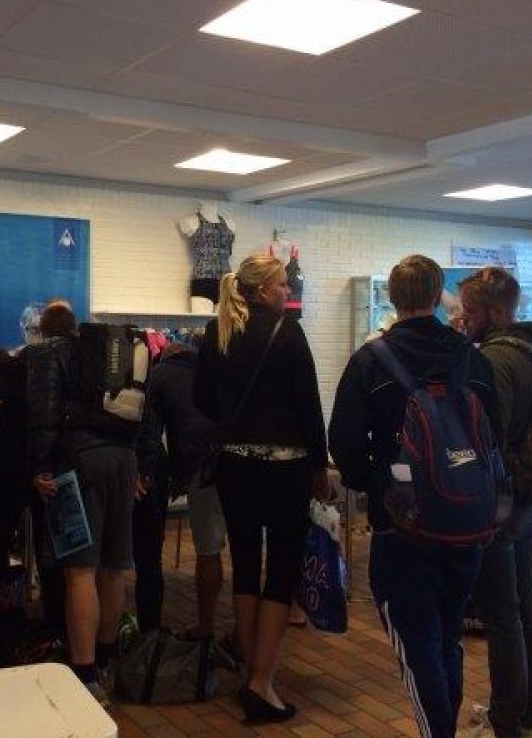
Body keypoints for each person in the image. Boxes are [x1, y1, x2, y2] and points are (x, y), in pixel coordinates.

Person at [328, 255, 498, 738]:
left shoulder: (370, 361)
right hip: (467, 522)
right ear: (439, 294)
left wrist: (378, 487)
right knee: (448, 635)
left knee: (416, 642)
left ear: (392, 297)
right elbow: (495, 436)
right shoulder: (472, 358)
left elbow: (343, 442)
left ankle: (437, 731)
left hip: (400, 525)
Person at [193, 252, 330, 724]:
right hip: (286, 468)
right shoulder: (288, 332)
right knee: (282, 572)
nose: (287, 291)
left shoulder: (218, 331)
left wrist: (237, 423)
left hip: (234, 465)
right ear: (264, 290)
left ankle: (250, 669)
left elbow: (201, 397)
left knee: (246, 566)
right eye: (282, 285)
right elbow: (309, 406)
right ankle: (261, 681)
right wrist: (319, 466)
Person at [25, 301, 138, 706]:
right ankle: (105, 660)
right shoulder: (109, 351)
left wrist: (40, 466)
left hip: (78, 463)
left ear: (43, 329)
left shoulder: (46, 354)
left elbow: (43, 415)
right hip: (123, 459)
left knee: (80, 572)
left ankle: (85, 673)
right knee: (115, 567)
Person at [456, 266, 532, 738]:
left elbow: (490, 436)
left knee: (502, 612)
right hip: (531, 494)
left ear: (495, 312)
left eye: (470, 311)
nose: (463, 319)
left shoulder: (494, 359)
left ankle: (506, 719)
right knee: (525, 604)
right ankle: (527, 711)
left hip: (501, 499)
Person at [0, 344, 66, 667]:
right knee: (47, 553)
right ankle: (56, 626)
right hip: (41, 472)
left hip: (1, 476)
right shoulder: (36, 381)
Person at [133, 340, 229, 645]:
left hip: (202, 466)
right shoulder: (216, 368)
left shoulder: (160, 374)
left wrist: (145, 472)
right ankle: (244, 633)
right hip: (235, 460)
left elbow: (151, 430)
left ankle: (205, 626)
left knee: (208, 550)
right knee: (244, 551)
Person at [178, 200, 235, 314]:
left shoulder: (230, 224)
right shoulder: (191, 221)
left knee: (224, 321)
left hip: (225, 280)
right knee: (201, 321)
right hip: (202, 279)